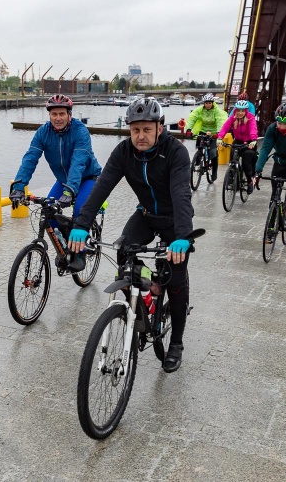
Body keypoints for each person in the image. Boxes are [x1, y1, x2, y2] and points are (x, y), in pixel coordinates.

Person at [67, 98, 194, 373]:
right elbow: (101, 187)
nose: (140, 136)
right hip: (146, 215)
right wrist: (81, 225)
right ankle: (147, 292)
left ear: (160, 127)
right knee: (124, 252)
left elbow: (182, 195)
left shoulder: (175, 152)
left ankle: (177, 343)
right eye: (135, 130)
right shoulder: (124, 152)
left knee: (177, 279)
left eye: (147, 129)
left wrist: (183, 237)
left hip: (174, 221)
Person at [9, 94, 102, 272]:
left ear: (69, 114)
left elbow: (78, 162)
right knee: (48, 213)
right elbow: (30, 158)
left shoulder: (80, 131)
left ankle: (80, 252)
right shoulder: (43, 133)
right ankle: (67, 244)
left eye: (61, 114)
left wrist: (69, 192)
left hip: (88, 178)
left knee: (80, 212)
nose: (58, 118)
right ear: (49, 115)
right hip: (64, 181)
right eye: (54, 114)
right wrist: (18, 187)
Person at [217, 100, 260, 193]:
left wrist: (253, 140)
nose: (240, 113)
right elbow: (225, 127)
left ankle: (249, 181)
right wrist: (220, 137)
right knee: (232, 159)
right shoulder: (233, 118)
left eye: (243, 111)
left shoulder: (250, 118)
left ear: (246, 111)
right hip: (238, 141)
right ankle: (232, 176)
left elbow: (253, 129)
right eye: (239, 110)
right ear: (236, 110)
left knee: (246, 161)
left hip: (249, 143)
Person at [186, 92, 228, 181]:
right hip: (203, 130)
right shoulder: (200, 110)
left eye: (209, 103)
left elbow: (220, 121)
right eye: (206, 103)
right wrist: (189, 129)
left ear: (212, 103)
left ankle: (214, 172)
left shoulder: (217, 111)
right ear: (204, 103)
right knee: (199, 143)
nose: (208, 105)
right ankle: (198, 158)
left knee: (213, 153)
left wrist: (218, 133)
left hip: (213, 132)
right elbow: (192, 118)